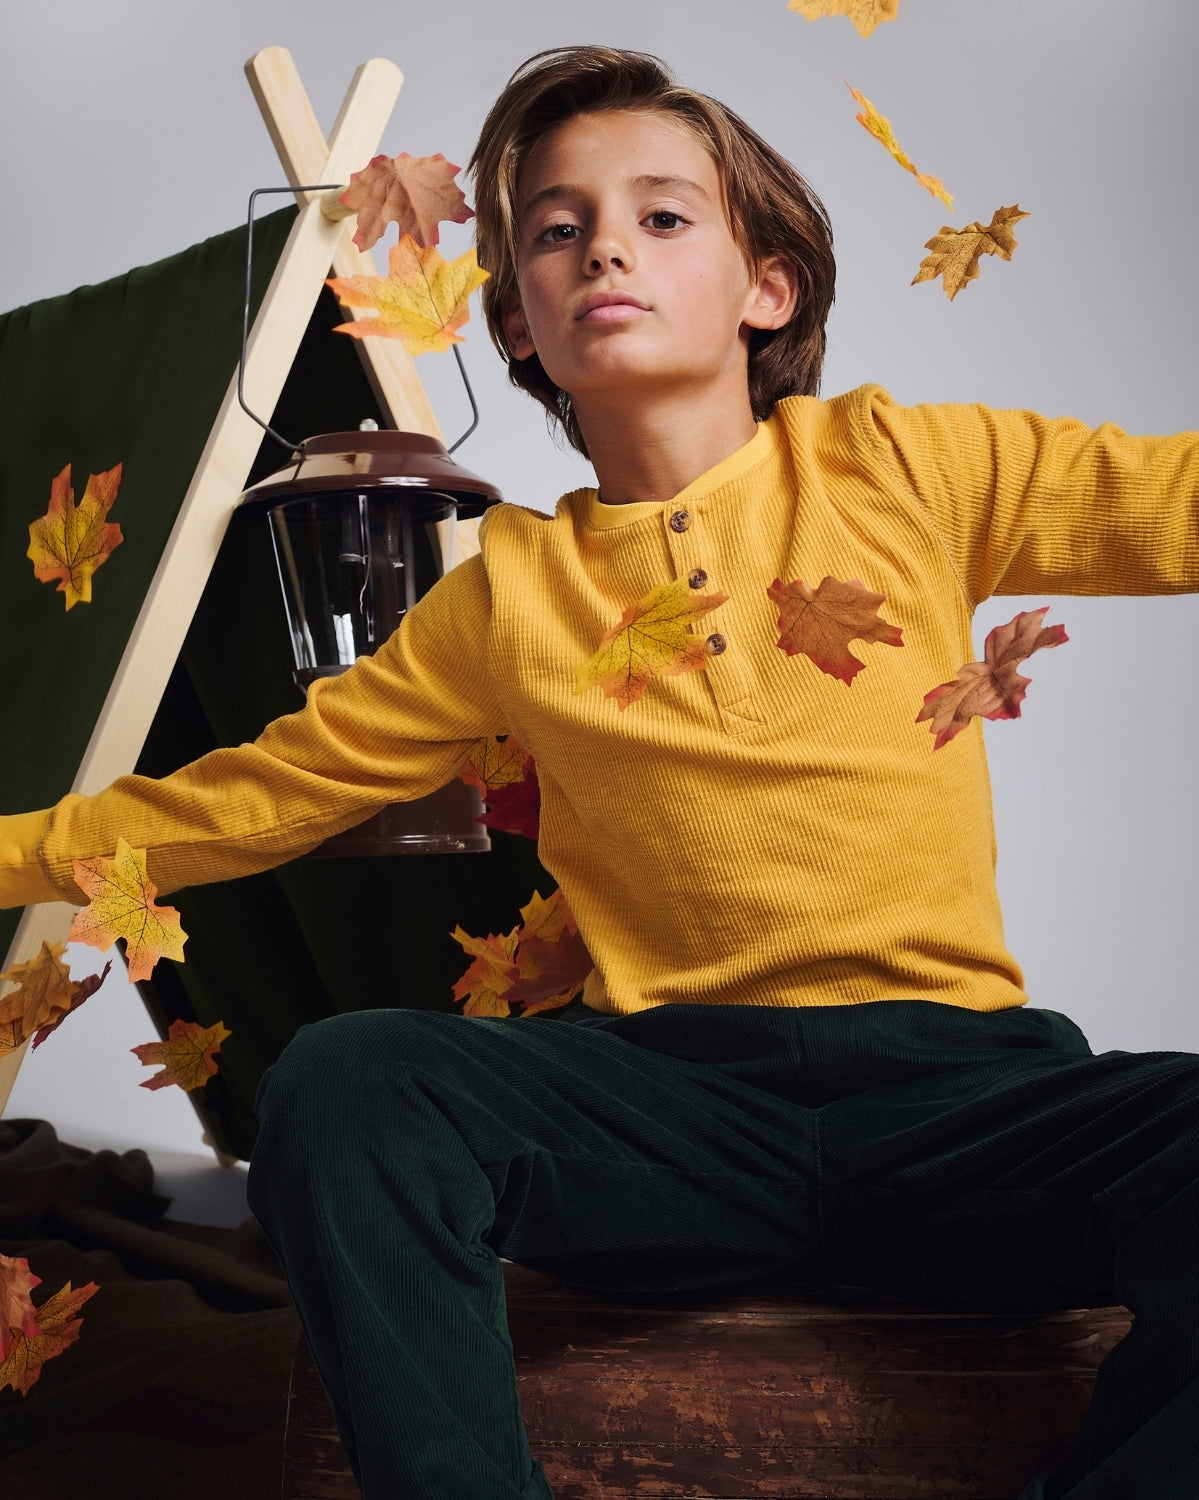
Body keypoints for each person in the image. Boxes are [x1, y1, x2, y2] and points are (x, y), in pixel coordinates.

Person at [3, 43, 1198, 1500]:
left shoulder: (906, 466)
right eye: (557, 231)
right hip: (670, 1113)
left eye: (662, 215)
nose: (604, 249)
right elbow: (255, 796)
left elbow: (1175, 501)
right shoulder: (507, 594)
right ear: (517, 321)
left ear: (770, 289)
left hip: (959, 1103)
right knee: (352, 1081)